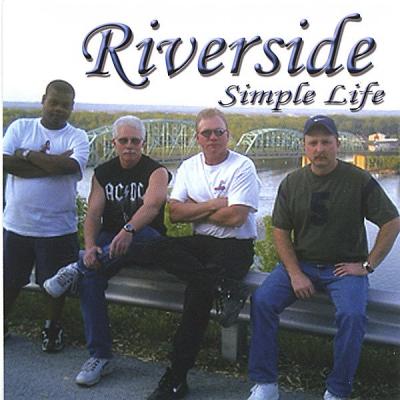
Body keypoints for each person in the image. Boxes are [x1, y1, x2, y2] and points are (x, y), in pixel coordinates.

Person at [246, 115, 400, 400]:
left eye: (326, 142)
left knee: (352, 315)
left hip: (343, 269)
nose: (319, 149)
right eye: (313, 143)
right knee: (262, 301)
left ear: (337, 144)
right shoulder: (292, 182)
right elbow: (280, 231)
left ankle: (338, 390)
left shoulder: (358, 180)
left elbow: (392, 221)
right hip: (301, 264)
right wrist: (295, 273)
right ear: (304, 147)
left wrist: (368, 265)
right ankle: (265, 383)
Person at [43, 115, 171, 386]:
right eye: (123, 140)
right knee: (91, 278)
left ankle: (76, 267)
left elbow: (152, 206)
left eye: (135, 140)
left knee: (145, 240)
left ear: (143, 142)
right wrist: (90, 247)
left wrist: (128, 230)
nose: (129, 146)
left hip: (144, 240)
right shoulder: (103, 173)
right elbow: (93, 214)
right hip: (109, 241)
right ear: (114, 143)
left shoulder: (157, 171)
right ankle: (100, 357)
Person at [146, 108, 261, 400]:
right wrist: (213, 204)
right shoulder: (189, 167)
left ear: (228, 135)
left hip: (235, 247)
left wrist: (195, 209)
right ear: (197, 137)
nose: (212, 138)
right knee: (154, 245)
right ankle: (220, 285)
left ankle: (176, 378)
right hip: (201, 243)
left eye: (218, 132)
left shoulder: (243, 166)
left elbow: (235, 218)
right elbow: (174, 213)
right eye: (206, 133)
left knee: (197, 296)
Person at [3, 79, 89, 351]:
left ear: (72, 107)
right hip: (16, 225)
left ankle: (52, 331)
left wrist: (26, 154)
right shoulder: (20, 127)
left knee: (54, 286)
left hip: (57, 228)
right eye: (54, 102)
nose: (58, 109)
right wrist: (53, 164)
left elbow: (70, 167)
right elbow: (5, 163)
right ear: (43, 100)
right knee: (8, 281)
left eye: (65, 105)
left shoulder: (78, 136)